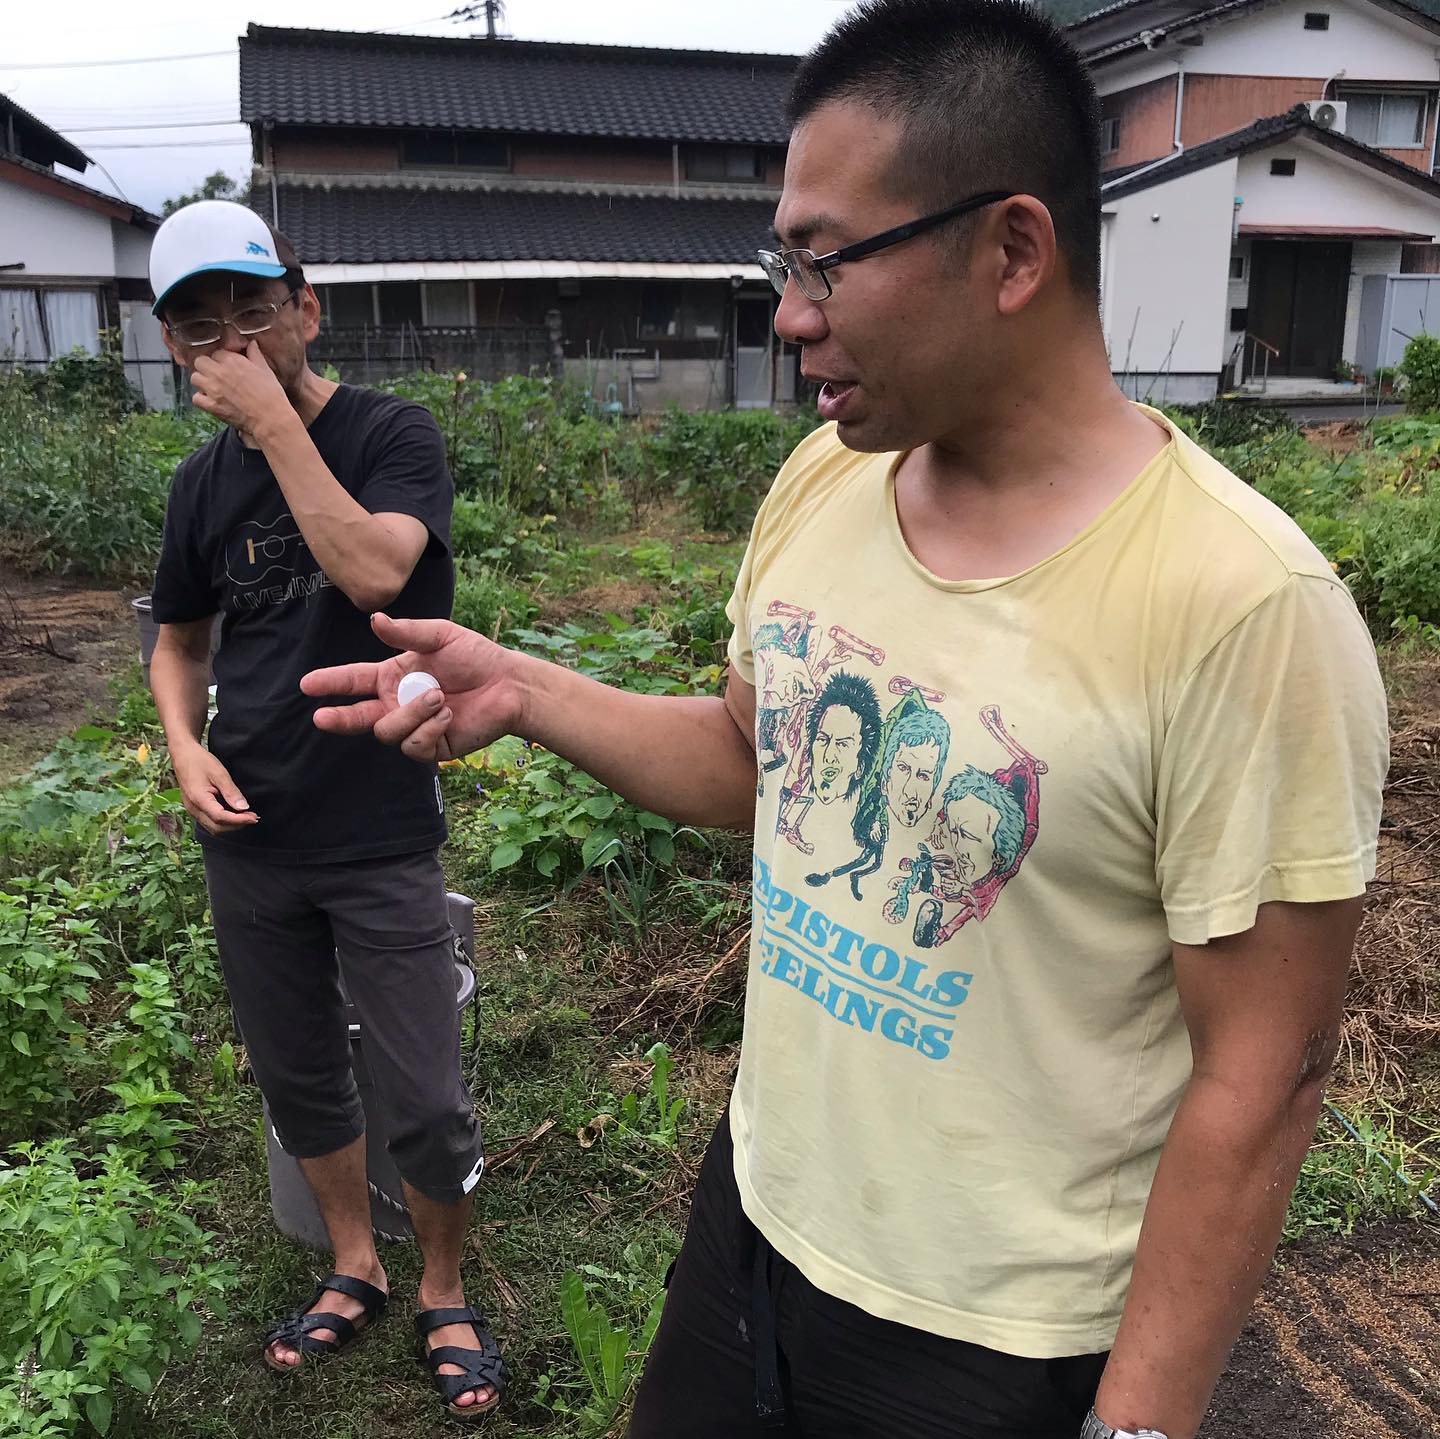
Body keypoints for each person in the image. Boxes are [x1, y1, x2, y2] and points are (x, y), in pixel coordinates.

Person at [299, 1, 1389, 1434]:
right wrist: (531, 688)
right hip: (757, 1218)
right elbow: (755, 761)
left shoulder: (1241, 606)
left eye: (825, 258)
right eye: (781, 258)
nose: (790, 308)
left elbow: (1265, 1072)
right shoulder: (826, 479)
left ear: (1011, 249)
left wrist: (1137, 1423)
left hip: (998, 1336)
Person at [146, 200, 503, 1418]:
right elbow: (179, 641)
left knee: (430, 1092)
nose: (231, 338)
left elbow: (373, 568)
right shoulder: (199, 488)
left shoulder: (390, 432)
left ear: (306, 305)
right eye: (200, 325)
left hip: (377, 825)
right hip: (249, 832)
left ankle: (445, 1281)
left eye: (251, 305)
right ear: (175, 351)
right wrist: (181, 744)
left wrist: (274, 429)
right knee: (297, 1073)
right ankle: (354, 1259)